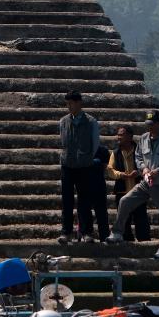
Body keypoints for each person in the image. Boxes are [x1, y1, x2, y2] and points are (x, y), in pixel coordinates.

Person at [106, 109, 159, 259]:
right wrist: (143, 168)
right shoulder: (143, 138)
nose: (150, 127)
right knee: (125, 201)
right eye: (148, 124)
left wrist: (158, 171)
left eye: (152, 124)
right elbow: (138, 157)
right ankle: (118, 232)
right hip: (145, 182)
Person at [58, 91, 101, 244]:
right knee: (67, 201)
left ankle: (87, 232)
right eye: (67, 104)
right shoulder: (63, 121)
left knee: (84, 201)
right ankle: (66, 232)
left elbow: (95, 144)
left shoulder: (91, 122)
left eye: (71, 103)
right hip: (67, 166)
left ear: (79, 103)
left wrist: (86, 158)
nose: (68, 106)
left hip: (84, 166)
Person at [107, 125, 150, 241]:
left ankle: (144, 243)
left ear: (130, 137)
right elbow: (110, 170)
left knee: (141, 219)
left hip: (139, 191)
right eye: (118, 134)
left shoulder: (139, 151)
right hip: (122, 191)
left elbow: (148, 167)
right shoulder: (115, 153)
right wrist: (122, 175)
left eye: (122, 134)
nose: (118, 137)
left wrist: (140, 173)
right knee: (124, 221)